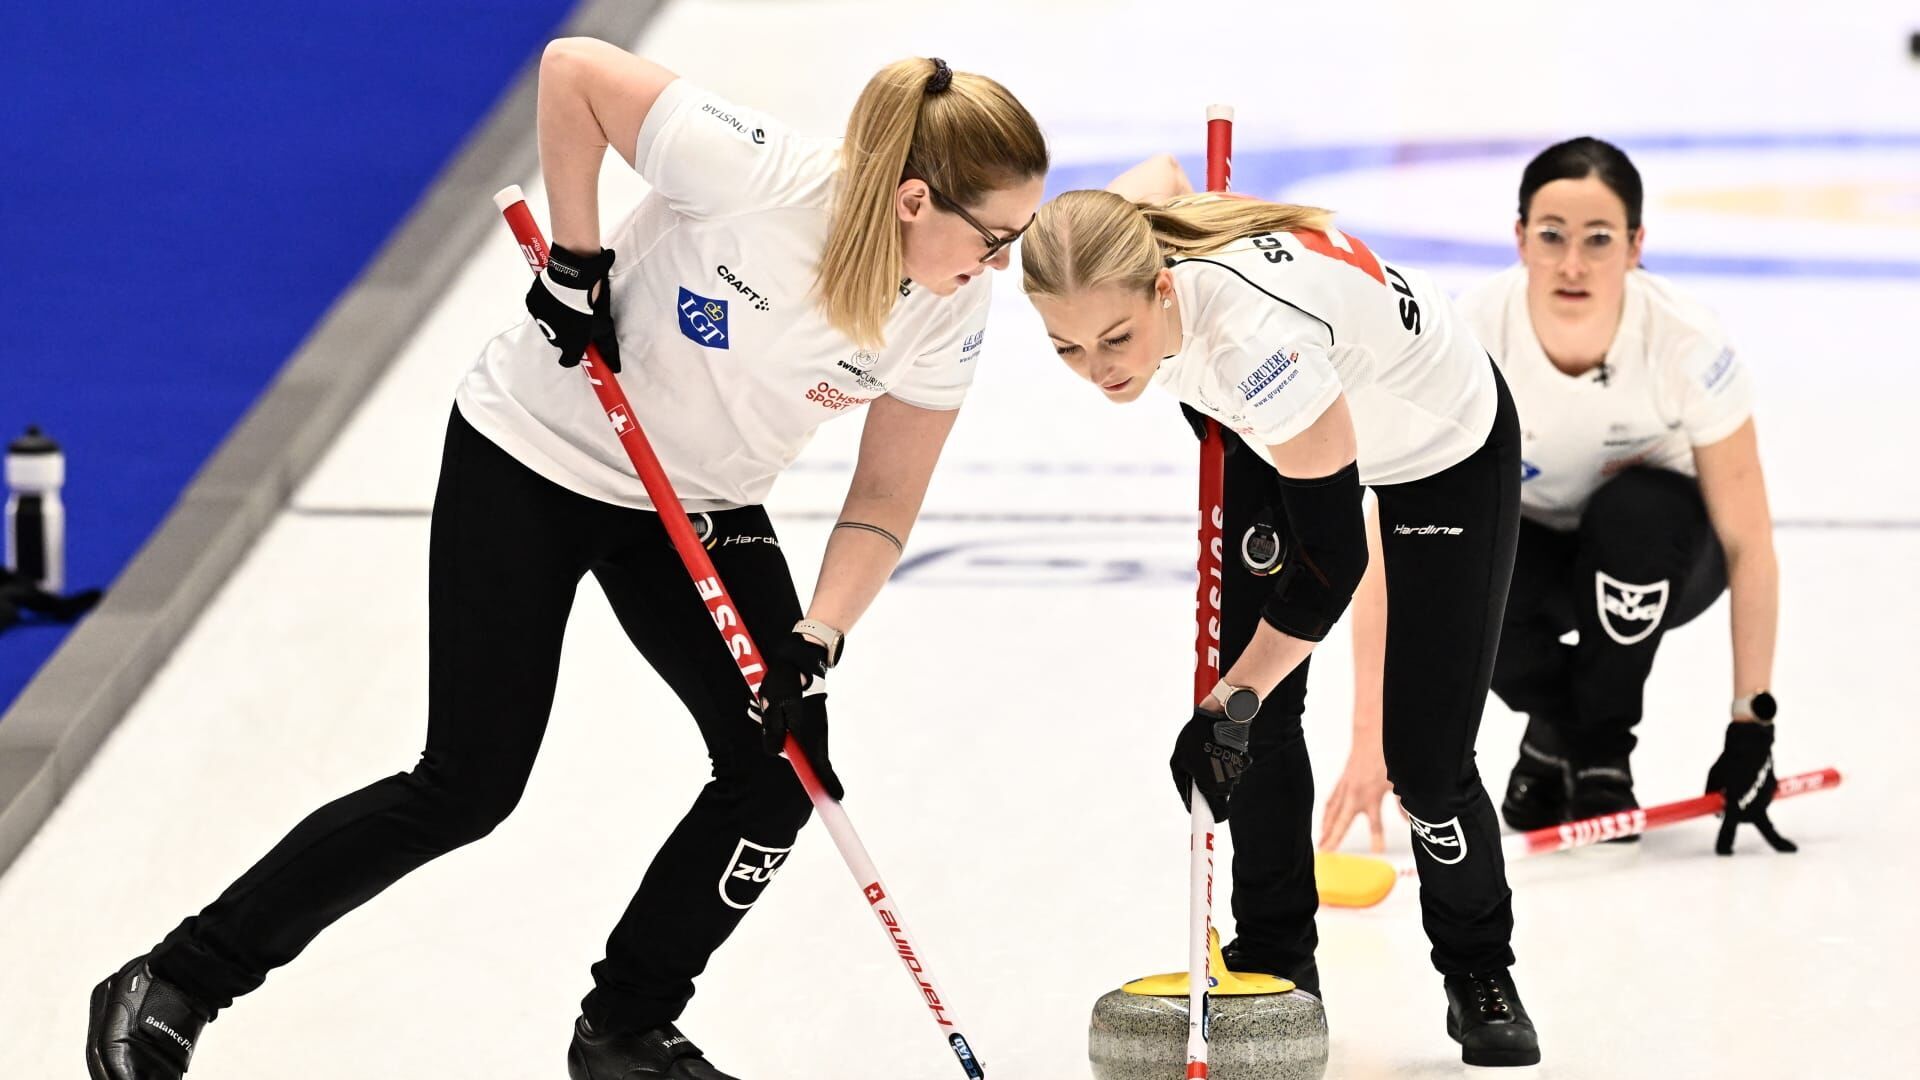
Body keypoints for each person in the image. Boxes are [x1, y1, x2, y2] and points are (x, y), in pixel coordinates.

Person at [86, 40, 1047, 1080]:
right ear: (913, 200)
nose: (1000, 264)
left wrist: (823, 627)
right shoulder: (760, 175)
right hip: (536, 457)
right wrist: (577, 261)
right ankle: (177, 979)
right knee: (469, 783)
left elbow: (883, 498)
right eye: (995, 237)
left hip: (699, 503)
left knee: (783, 774)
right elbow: (573, 72)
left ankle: (625, 1032)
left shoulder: (949, 307)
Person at [1020, 172, 1541, 1066]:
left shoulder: (1258, 345)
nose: (1102, 369)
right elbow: (1156, 178)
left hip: (1438, 443)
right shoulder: (1119, 251)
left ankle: (1478, 969)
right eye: (1066, 348)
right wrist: (1241, 706)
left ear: (1161, 284)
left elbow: (1336, 564)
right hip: (1285, 430)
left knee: (1424, 761)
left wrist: (1230, 704)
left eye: (1117, 339)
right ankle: (1276, 961)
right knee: (1254, 716)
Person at [1321, 137, 1791, 859]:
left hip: (1663, 563)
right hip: (1525, 567)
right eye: (1552, 236)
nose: (1573, 264)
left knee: (1635, 513)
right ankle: (1562, 733)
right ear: (1519, 239)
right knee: (1454, 549)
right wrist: (1372, 741)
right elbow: (1392, 548)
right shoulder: (1465, 342)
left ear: (1635, 245)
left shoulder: (1689, 346)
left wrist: (1750, 722)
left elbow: (1748, 544)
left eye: (1598, 240)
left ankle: (1601, 748)